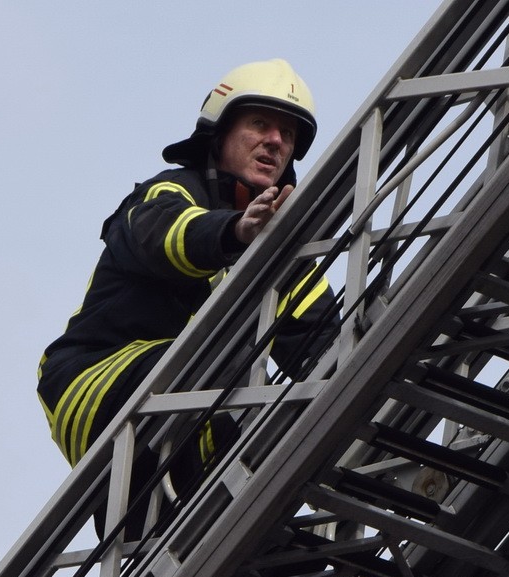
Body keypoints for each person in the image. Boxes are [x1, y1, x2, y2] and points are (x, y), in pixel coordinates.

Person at [36, 59, 339, 537]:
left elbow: (322, 344)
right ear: (218, 134)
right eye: (260, 123)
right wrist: (237, 231)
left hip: (186, 389)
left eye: (288, 133)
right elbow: (170, 238)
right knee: (233, 354)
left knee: (280, 404)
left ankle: (236, 542)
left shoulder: (285, 252)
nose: (276, 142)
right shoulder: (167, 192)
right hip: (92, 381)